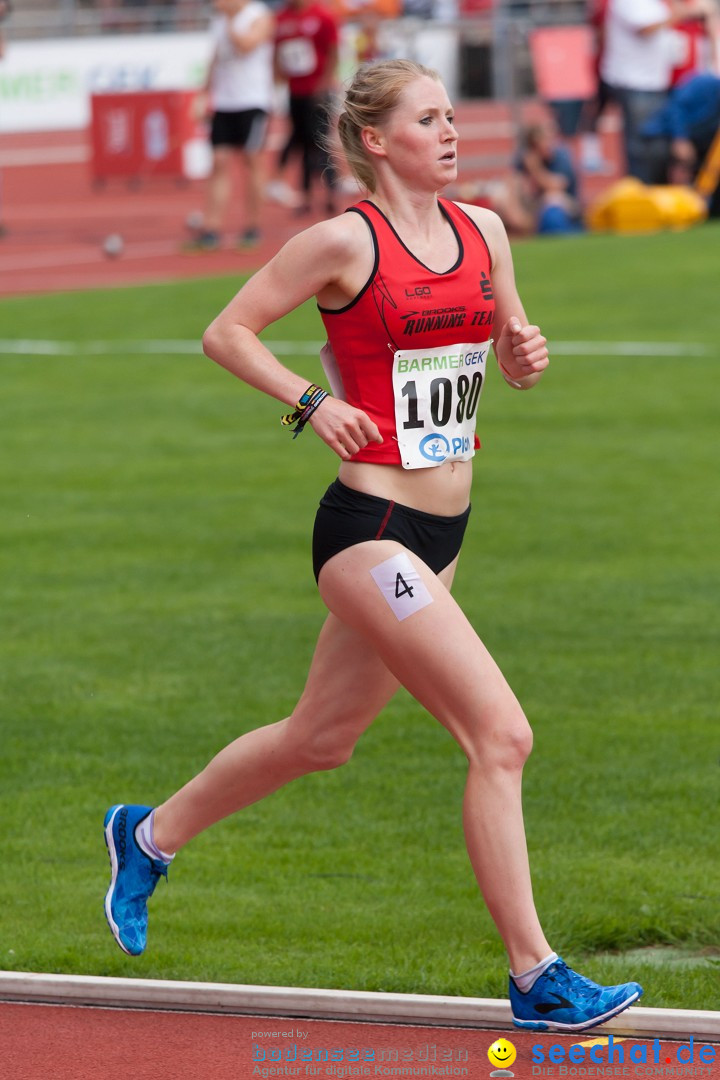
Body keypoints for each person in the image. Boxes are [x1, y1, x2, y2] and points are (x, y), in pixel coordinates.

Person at [103, 59, 643, 1034]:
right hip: (370, 530)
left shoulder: (483, 231)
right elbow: (227, 332)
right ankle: (535, 974)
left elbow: (510, 350)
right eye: (427, 118)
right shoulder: (342, 243)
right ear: (376, 142)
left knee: (322, 739)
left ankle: (146, 836)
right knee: (501, 735)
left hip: (444, 530)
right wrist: (312, 404)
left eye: (451, 115)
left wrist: (524, 355)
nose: (449, 131)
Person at [187, 0, 275, 251]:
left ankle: (252, 226)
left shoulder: (258, 15)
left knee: (252, 161)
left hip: (252, 100)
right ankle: (211, 228)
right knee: (219, 161)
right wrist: (203, 94)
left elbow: (245, 46)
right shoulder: (219, 21)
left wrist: (228, 20)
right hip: (224, 102)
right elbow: (216, 58)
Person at [600, 0, 716, 183]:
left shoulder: (656, 4)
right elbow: (645, 27)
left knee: (658, 150)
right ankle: (642, 199)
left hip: (655, 84)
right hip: (637, 84)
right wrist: (686, 12)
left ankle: (655, 197)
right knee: (645, 151)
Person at [268, 0, 340, 215]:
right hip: (295, 92)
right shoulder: (281, 19)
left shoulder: (322, 16)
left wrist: (326, 83)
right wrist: (278, 76)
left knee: (322, 144)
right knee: (302, 144)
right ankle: (306, 197)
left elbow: (334, 50)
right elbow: (277, 52)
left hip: (318, 92)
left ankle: (331, 196)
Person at [513, 122, 584, 234]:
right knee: (502, 198)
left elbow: (559, 185)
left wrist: (535, 169)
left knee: (552, 199)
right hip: (534, 205)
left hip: (568, 205)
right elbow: (513, 183)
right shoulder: (524, 158)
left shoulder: (560, 156)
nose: (547, 145)